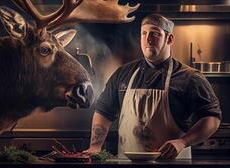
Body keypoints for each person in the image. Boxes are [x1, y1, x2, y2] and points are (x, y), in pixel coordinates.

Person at [84, 14, 221, 159]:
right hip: (127, 163)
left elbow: (212, 118)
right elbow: (104, 112)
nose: (148, 39)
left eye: (155, 33)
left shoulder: (190, 78)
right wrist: (95, 146)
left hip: (173, 163)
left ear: (170, 39)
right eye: (144, 33)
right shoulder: (123, 74)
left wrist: (183, 141)